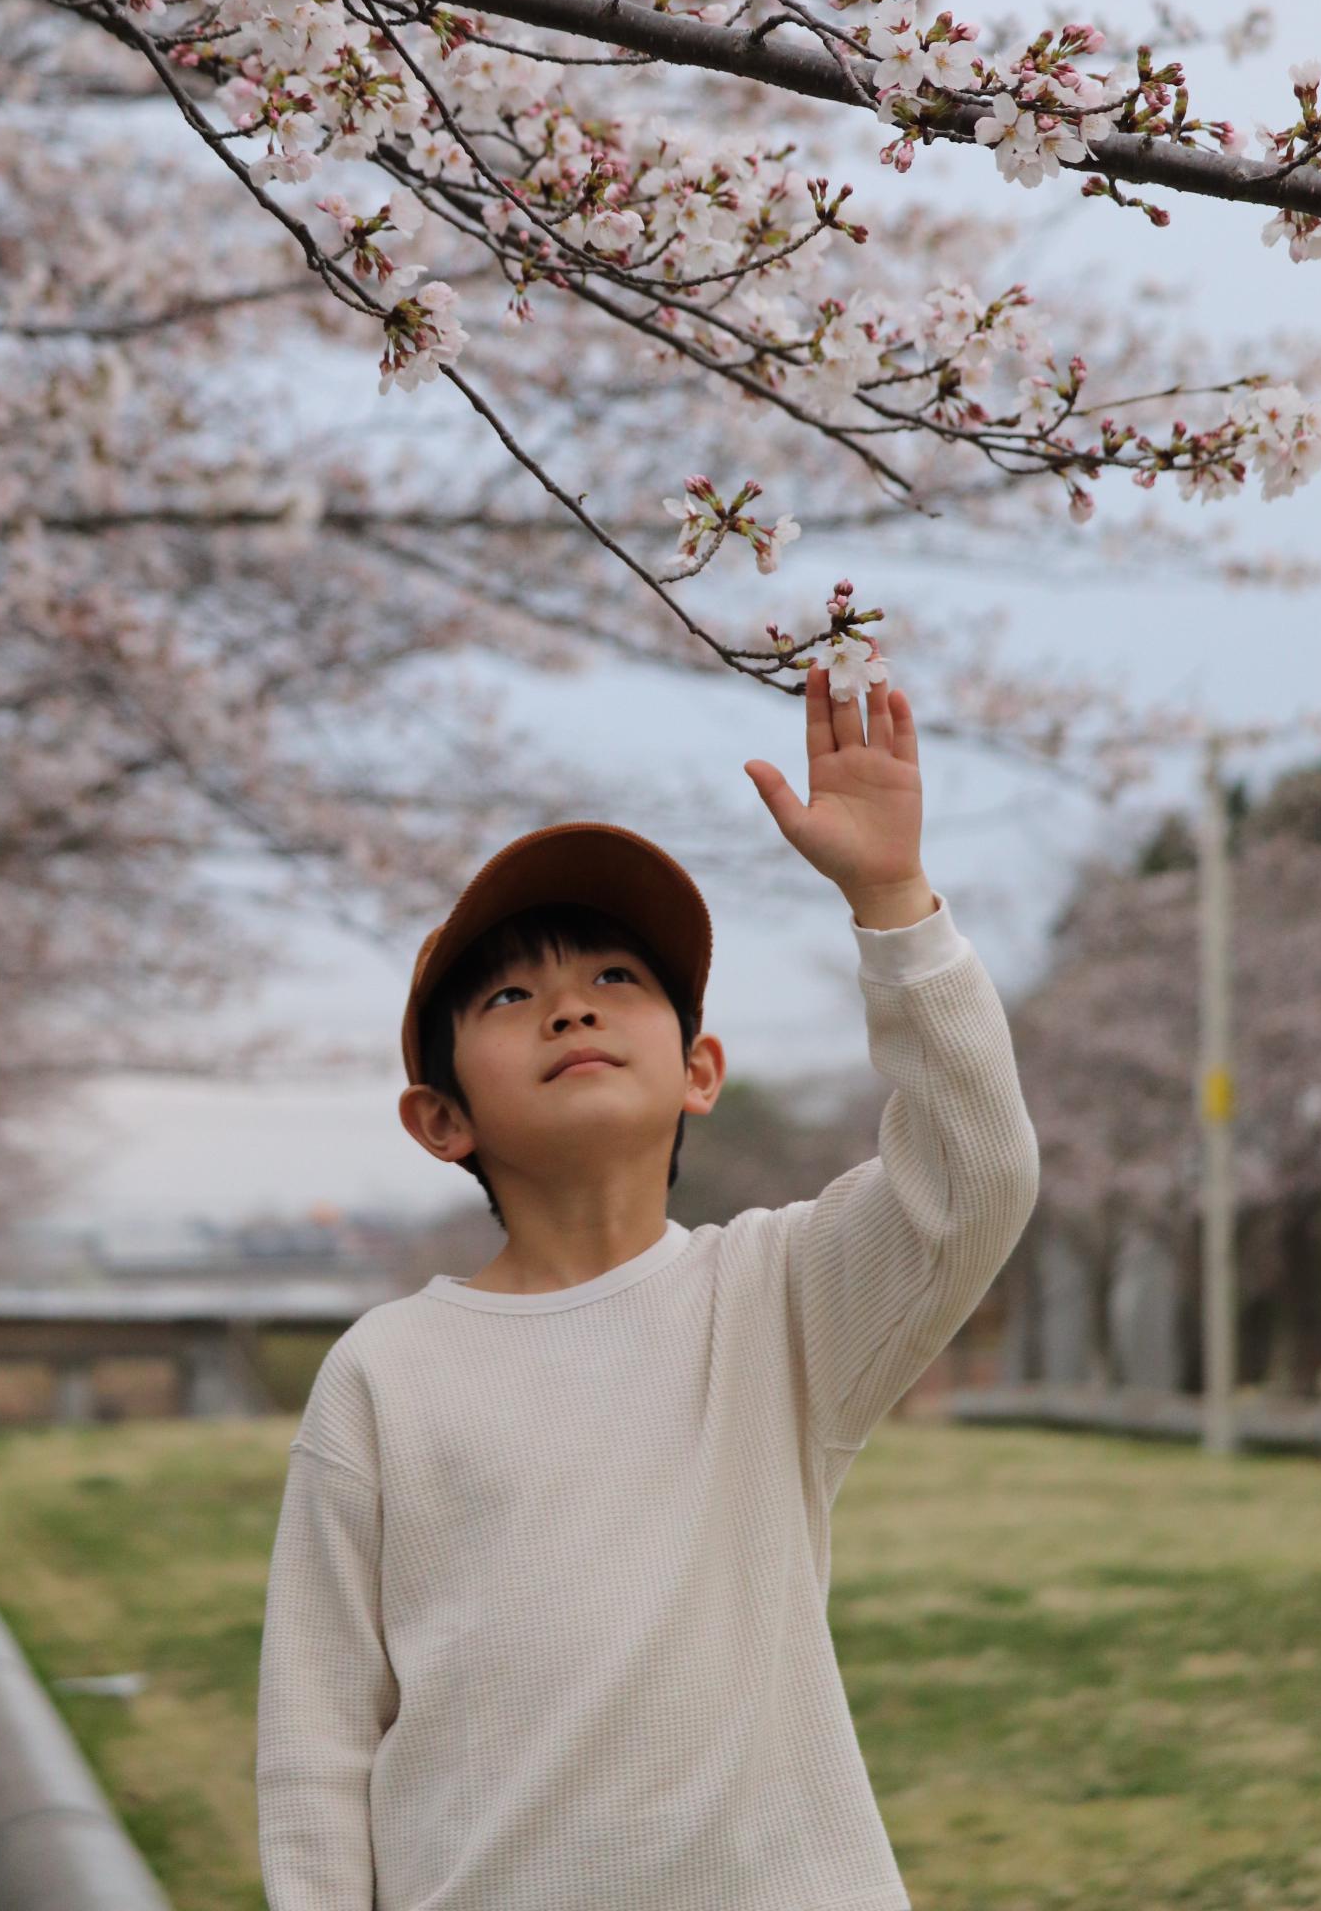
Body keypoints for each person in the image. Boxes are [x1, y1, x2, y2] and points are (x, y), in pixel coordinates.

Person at [255, 651, 1041, 1911]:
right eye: (512, 996)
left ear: (699, 1070)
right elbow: (316, 1744)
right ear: (440, 1119)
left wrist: (892, 897)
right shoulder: (384, 1376)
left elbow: (976, 1171)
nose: (570, 1010)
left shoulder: (776, 1300)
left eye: (616, 980)